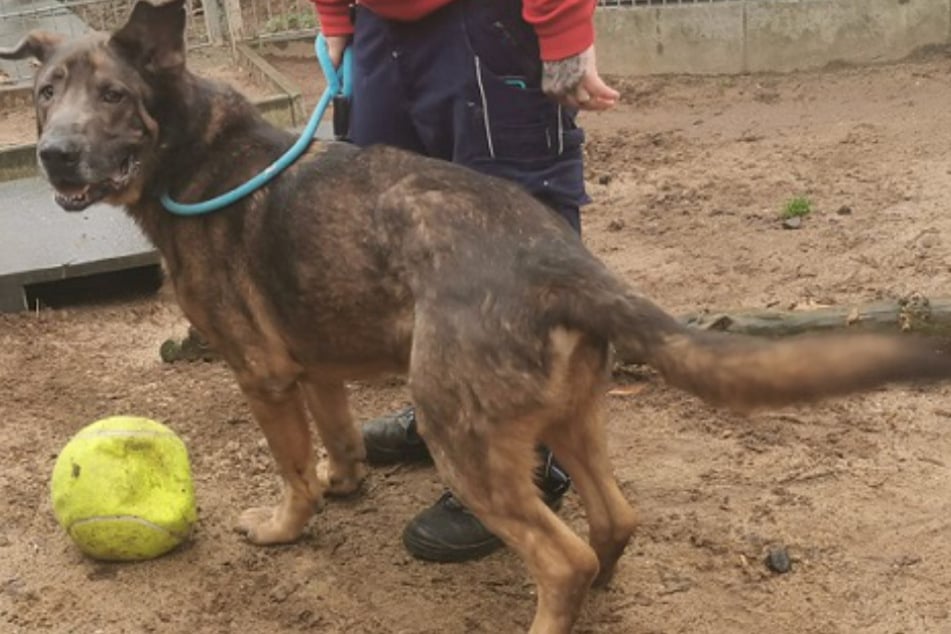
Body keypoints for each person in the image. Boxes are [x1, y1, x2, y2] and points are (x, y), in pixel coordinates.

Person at [310, 0, 619, 563]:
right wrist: (335, 16)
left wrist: (563, 24)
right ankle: (448, 411)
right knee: (397, 231)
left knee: (519, 235)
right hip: (381, 27)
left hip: (488, 22)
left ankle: (537, 453)